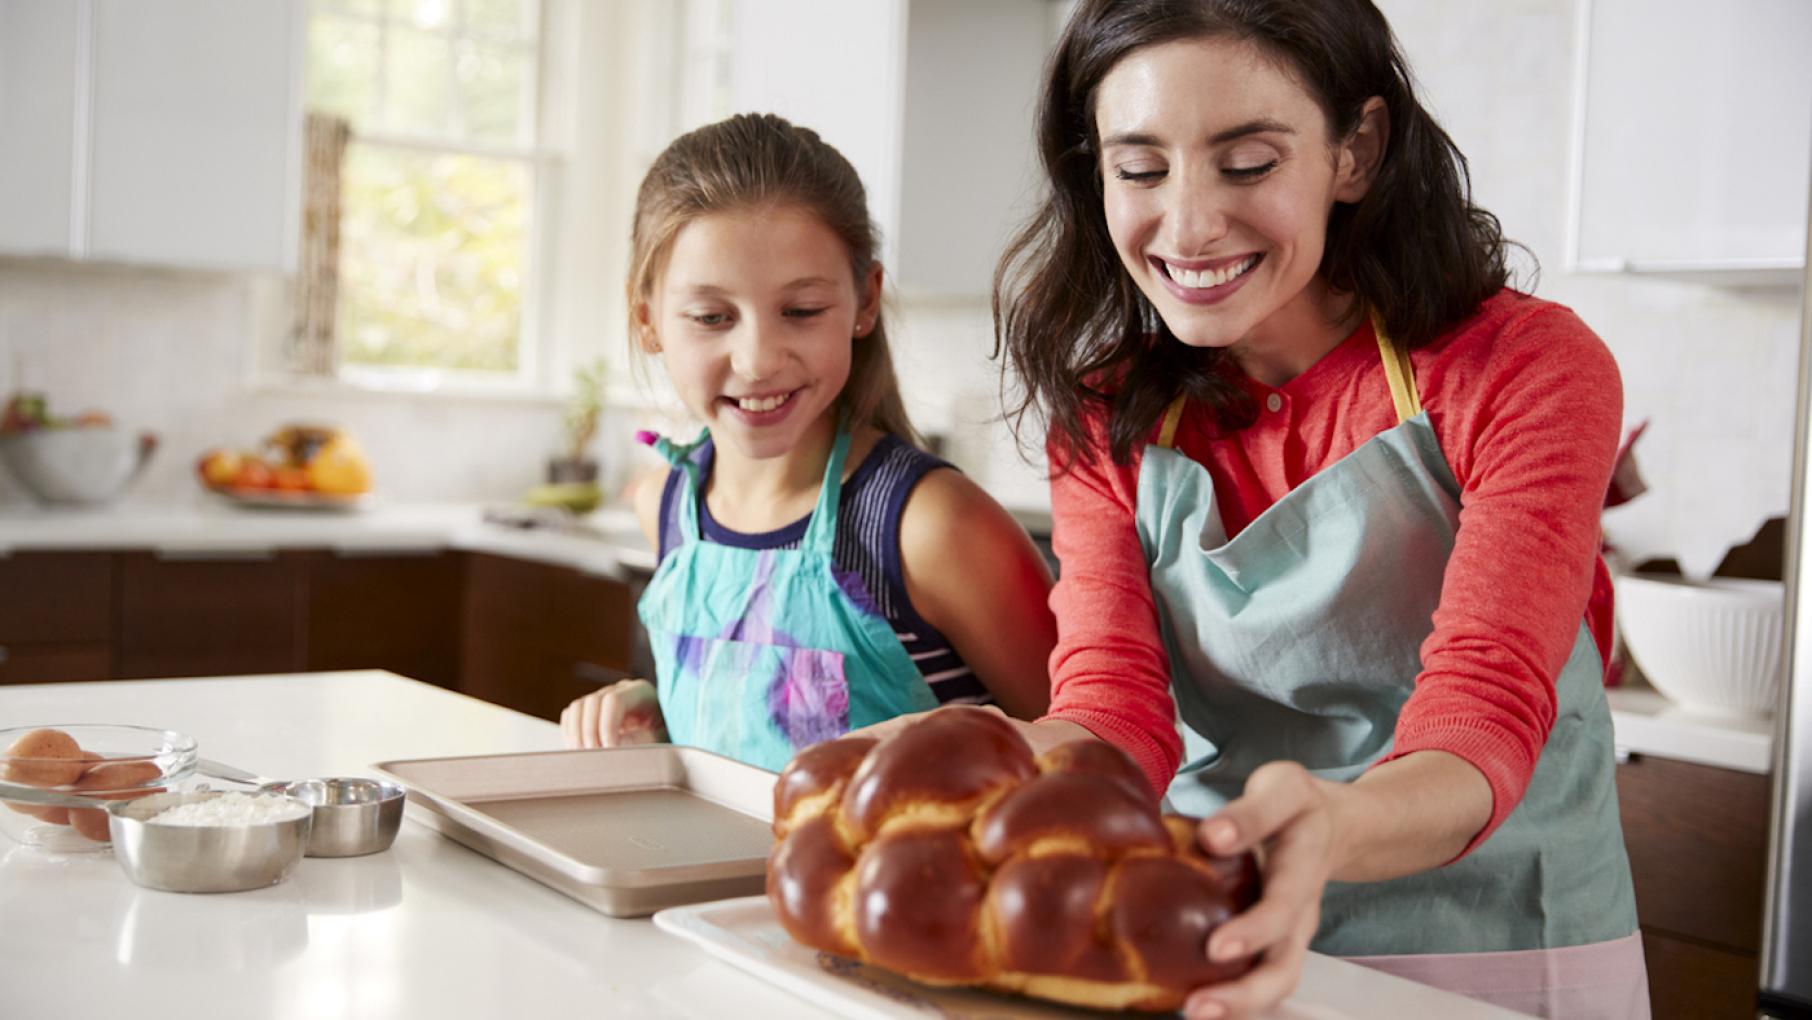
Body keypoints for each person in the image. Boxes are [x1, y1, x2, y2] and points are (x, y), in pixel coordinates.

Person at [979, 1, 1646, 1017]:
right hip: (1219, 937)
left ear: (1356, 150)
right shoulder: (1107, 409)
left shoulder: (1522, 371)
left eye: (1247, 163)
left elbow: (1483, 711)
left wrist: (1326, 829)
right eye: (1140, 168)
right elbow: (1113, 711)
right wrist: (991, 762)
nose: (1190, 223)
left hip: (1500, 952)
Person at [560, 113, 1057, 773]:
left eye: (800, 311)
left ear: (865, 301)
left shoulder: (931, 527)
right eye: (712, 317)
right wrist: (657, 719)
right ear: (647, 319)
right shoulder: (667, 507)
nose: (759, 359)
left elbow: (1094, 757)